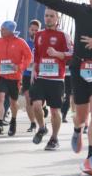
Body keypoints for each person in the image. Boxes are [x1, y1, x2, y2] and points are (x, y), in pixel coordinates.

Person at [11, 0, 92, 176]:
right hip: (79, 68)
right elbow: (54, 2)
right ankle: (76, 129)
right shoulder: (81, 11)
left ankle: (90, 158)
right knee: (81, 115)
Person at [31, 9, 73, 149]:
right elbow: (37, 53)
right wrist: (34, 70)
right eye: (46, 16)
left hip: (56, 79)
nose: (48, 18)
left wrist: (57, 53)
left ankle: (54, 138)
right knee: (36, 105)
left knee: (55, 111)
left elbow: (72, 54)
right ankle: (42, 127)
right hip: (41, 77)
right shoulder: (39, 34)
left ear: (57, 18)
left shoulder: (64, 35)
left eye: (51, 16)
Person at [0, 21, 33, 136]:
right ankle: (0, 124)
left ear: (10, 31)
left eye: (3, 29)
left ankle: (13, 121)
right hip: (1, 75)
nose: (1, 31)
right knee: (0, 98)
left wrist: (20, 67)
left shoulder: (20, 42)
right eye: (1, 29)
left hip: (15, 78)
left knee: (13, 102)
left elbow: (28, 57)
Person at [23, 19, 41, 133]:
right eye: (32, 29)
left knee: (38, 102)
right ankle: (33, 123)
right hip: (26, 74)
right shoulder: (24, 43)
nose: (34, 32)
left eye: (36, 30)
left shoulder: (42, 42)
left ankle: (41, 114)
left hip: (39, 74)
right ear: (29, 30)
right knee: (28, 99)